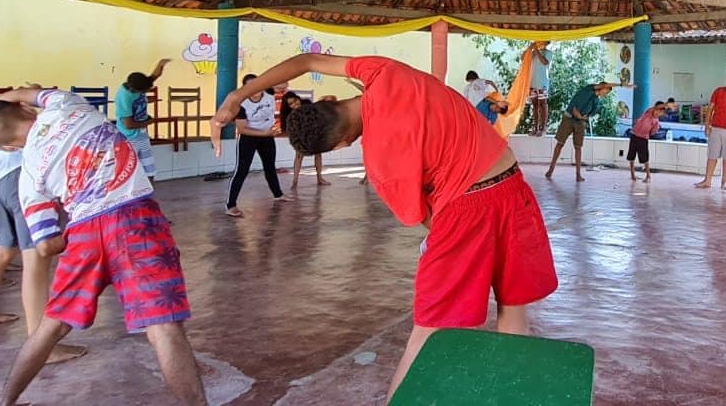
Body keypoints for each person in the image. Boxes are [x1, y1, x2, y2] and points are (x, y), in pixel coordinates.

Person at [209, 54, 557, 400]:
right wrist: (235, 97)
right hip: (513, 186)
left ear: (342, 144)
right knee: (513, 308)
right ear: (331, 101)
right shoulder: (382, 71)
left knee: (431, 326)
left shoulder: (379, 161)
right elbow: (308, 61)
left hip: (465, 209)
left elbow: (425, 219)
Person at [0, 87, 206, 406]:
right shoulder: (66, 105)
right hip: (135, 220)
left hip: (83, 234)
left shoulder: (29, 179)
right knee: (163, 327)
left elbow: (46, 246)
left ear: (7, 146)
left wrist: (77, 239)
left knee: (49, 328)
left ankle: (5, 402)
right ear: (25, 111)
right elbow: (27, 93)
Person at [0, 140, 88, 360]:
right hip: (21, 181)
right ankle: (41, 348)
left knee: (4, 252)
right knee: (36, 260)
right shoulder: (19, 112)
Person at [225, 73, 291, 218]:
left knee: (270, 167)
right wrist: (266, 134)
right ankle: (230, 205)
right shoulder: (241, 104)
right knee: (241, 171)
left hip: (266, 136)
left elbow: (284, 83)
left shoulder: (268, 92)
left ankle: (278, 194)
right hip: (248, 138)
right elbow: (241, 129)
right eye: (250, 86)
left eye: (257, 85)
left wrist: (269, 81)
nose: (255, 89)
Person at [546, 82, 614, 182]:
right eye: (606, 90)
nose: (605, 93)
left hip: (580, 122)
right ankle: (551, 169)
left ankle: (578, 174)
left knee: (578, 147)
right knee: (560, 143)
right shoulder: (588, 89)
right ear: (602, 87)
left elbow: (590, 115)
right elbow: (573, 107)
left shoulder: (596, 102)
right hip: (568, 117)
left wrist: (582, 117)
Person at [115, 58, 170, 180]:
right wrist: (149, 122)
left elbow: (154, 76)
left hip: (142, 134)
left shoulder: (140, 84)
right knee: (130, 170)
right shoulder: (124, 97)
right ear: (135, 90)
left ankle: (149, 195)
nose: (147, 91)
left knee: (149, 169)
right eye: (145, 91)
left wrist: (161, 64)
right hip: (129, 137)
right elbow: (128, 124)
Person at [281, 92, 332, 191]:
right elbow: (288, 129)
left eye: (295, 101)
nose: (295, 104)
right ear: (288, 106)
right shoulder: (289, 114)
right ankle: (295, 182)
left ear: (298, 98)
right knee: (299, 156)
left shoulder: (308, 104)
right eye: (291, 104)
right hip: (300, 136)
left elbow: (317, 117)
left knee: (318, 154)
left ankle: (319, 178)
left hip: (314, 132)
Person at [628, 101, 665, 183]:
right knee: (631, 156)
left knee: (645, 158)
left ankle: (648, 176)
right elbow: (654, 108)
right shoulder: (648, 113)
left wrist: (652, 130)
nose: (658, 113)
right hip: (634, 135)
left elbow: (652, 132)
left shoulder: (656, 122)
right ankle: (632, 174)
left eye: (660, 112)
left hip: (643, 139)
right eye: (657, 110)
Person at [527, 42, 552, 136]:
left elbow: (545, 62)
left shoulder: (548, 53)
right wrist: (529, 49)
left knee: (543, 104)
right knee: (535, 105)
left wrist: (536, 50)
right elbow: (523, 59)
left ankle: (543, 128)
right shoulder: (532, 53)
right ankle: (536, 128)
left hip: (543, 83)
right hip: (532, 82)